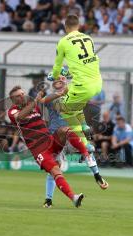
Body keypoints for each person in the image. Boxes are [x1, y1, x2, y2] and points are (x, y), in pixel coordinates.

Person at [8, 85, 91, 208]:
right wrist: (36, 100)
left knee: (65, 130)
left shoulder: (34, 105)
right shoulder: (12, 111)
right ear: (13, 100)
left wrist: (60, 93)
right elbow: (20, 117)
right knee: (55, 171)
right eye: (18, 96)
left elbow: (45, 100)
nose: (22, 96)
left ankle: (86, 155)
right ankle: (73, 197)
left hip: (50, 141)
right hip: (39, 150)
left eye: (22, 93)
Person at [36, 79, 109, 208]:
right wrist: (57, 94)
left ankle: (97, 176)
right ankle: (48, 200)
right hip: (56, 138)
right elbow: (43, 101)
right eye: (57, 80)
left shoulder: (74, 99)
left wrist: (85, 127)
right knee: (54, 169)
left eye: (62, 80)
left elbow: (80, 115)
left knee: (88, 149)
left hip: (71, 136)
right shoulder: (53, 98)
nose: (60, 81)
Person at [47, 14, 102, 147]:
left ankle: (86, 144)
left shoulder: (63, 41)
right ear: (79, 26)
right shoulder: (89, 38)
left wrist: (54, 75)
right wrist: (67, 72)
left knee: (64, 110)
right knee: (69, 94)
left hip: (83, 86)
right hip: (97, 83)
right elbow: (84, 63)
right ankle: (83, 125)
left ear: (65, 27)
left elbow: (57, 67)